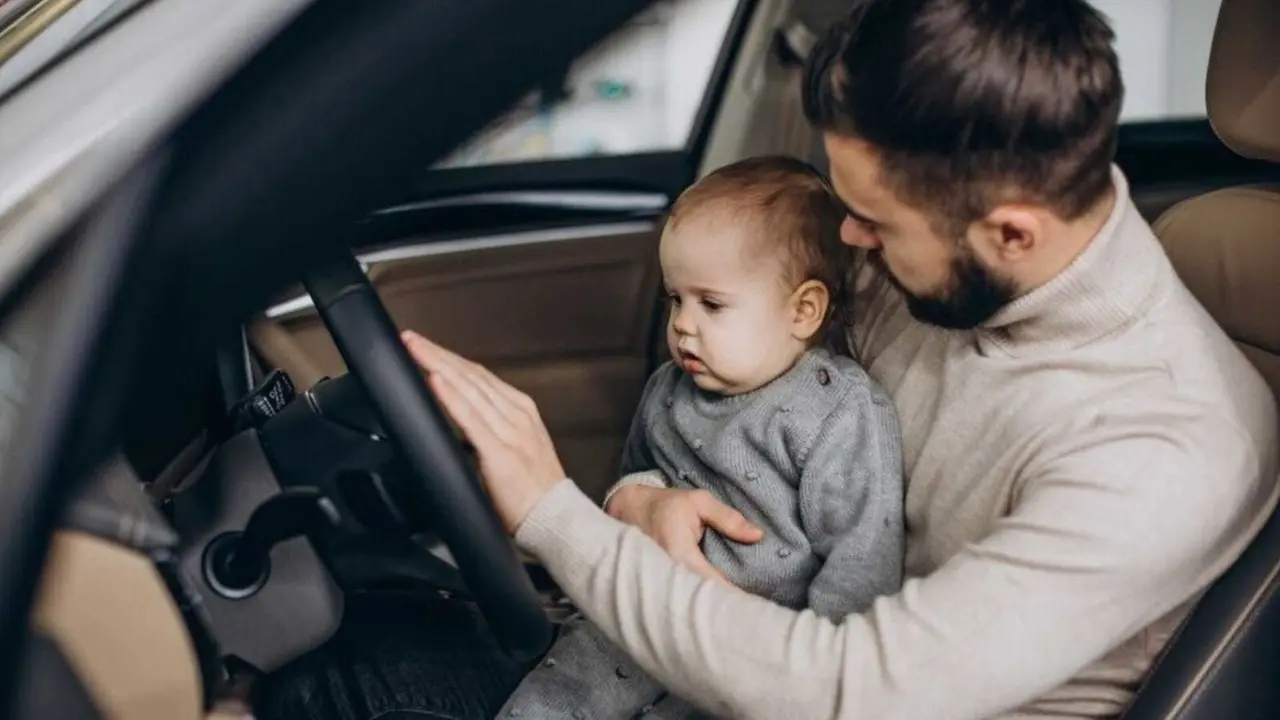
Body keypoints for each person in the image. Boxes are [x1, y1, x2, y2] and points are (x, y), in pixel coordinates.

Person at [257, 1, 1279, 718]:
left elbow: (843, 694)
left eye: (872, 223)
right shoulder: (954, 267)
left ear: (1008, 232)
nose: (849, 246)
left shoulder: (1158, 451)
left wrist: (550, 512)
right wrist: (635, 507)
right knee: (342, 635)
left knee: (333, 690)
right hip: (738, 651)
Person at [495, 156, 905, 720]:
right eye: (675, 300)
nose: (684, 324)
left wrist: (806, 683)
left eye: (711, 304)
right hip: (633, 624)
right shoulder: (669, 388)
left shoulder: (840, 413)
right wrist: (639, 495)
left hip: (744, 663)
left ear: (803, 311)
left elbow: (860, 572)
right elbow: (634, 473)